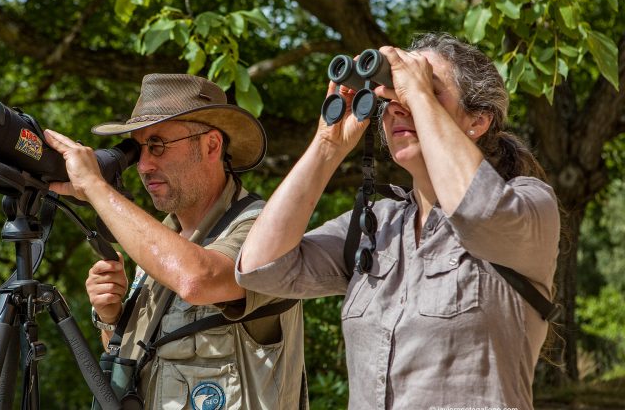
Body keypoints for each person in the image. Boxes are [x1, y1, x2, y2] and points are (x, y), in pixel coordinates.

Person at [236, 33, 560, 409]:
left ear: (478, 121)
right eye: (391, 96)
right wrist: (328, 146)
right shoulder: (377, 225)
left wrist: (417, 94)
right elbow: (260, 268)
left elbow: (477, 212)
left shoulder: (528, 204)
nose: (398, 107)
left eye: (428, 90)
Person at [43, 73, 306, 409]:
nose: (144, 165)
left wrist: (95, 187)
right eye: (138, 150)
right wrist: (111, 319)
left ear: (211, 145)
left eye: (158, 145)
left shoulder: (264, 228)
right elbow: (135, 364)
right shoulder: (159, 247)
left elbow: (197, 279)